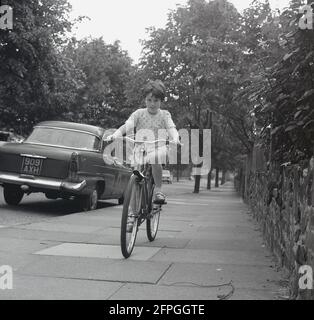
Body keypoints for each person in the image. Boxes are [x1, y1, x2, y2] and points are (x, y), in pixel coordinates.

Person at [107, 80, 180, 205]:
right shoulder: (138, 114)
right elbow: (127, 126)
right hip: (140, 148)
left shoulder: (164, 115)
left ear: (161, 101)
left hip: (158, 148)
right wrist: (115, 135)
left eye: (156, 101)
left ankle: (158, 190)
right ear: (145, 100)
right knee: (136, 173)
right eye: (149, 100)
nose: (152, 104)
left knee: (155, 158)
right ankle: (134, 207)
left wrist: (175, 138)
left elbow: (171, 128)